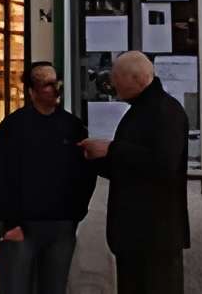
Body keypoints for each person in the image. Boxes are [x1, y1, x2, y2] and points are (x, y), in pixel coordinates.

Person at [81, 49, 189, 294]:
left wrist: (111, 149)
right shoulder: (141, 110)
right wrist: (97, 158)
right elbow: (129, 167)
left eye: (118, 78)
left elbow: (163, 164)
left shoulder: (164, 112)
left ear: (137, 79)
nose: (113, 84)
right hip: (136, 234)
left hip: (154, 235)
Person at [0, 60, 93, 294]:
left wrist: (75, 214)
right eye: (47, 84)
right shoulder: (15, 126)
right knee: (16, 286)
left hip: (61, 224)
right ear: (32, 91)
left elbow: (85, 174)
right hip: (22, 225)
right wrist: (10, 222)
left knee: (54, 287)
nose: (55, 89)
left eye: (56, 83)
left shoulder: (71, 126)